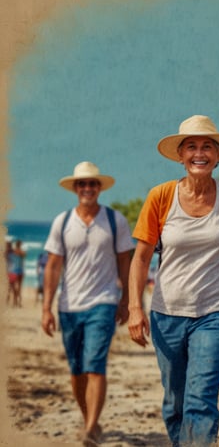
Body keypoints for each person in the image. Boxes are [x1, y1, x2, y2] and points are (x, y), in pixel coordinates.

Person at [127, 115, 219, 447]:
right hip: (166, 314)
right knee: (175, 403)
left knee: (200, 401)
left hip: (218, 313)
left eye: (207, 147)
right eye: (192, 147)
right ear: (181, 156)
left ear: (218, 155)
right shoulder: (161, 196)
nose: (200, 153)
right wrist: (135, 310)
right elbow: (140, 257)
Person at [41, 161, 134, 446]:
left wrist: (126, 300)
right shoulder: (63, 222)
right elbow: (53, 266)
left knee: (95, 365)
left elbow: (124, 261)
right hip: (69, 306)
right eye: (82, 184)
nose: (88, 189)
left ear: (99, 188)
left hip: (103, 302)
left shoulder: (114, 220)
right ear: (75, 189)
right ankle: (88, 419)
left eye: (93, 184)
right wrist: (46, 307)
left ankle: (92, 427)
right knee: (76, 370)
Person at [6, 239, 26, 307]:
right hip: (21, 270)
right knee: (19, 287)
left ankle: (14, 302)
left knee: (13, 287)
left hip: (14, 270)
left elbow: (7, 258)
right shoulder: (22, 252)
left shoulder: (12, 252)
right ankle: (18, 302)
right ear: (20, 244)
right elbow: (23, 257)